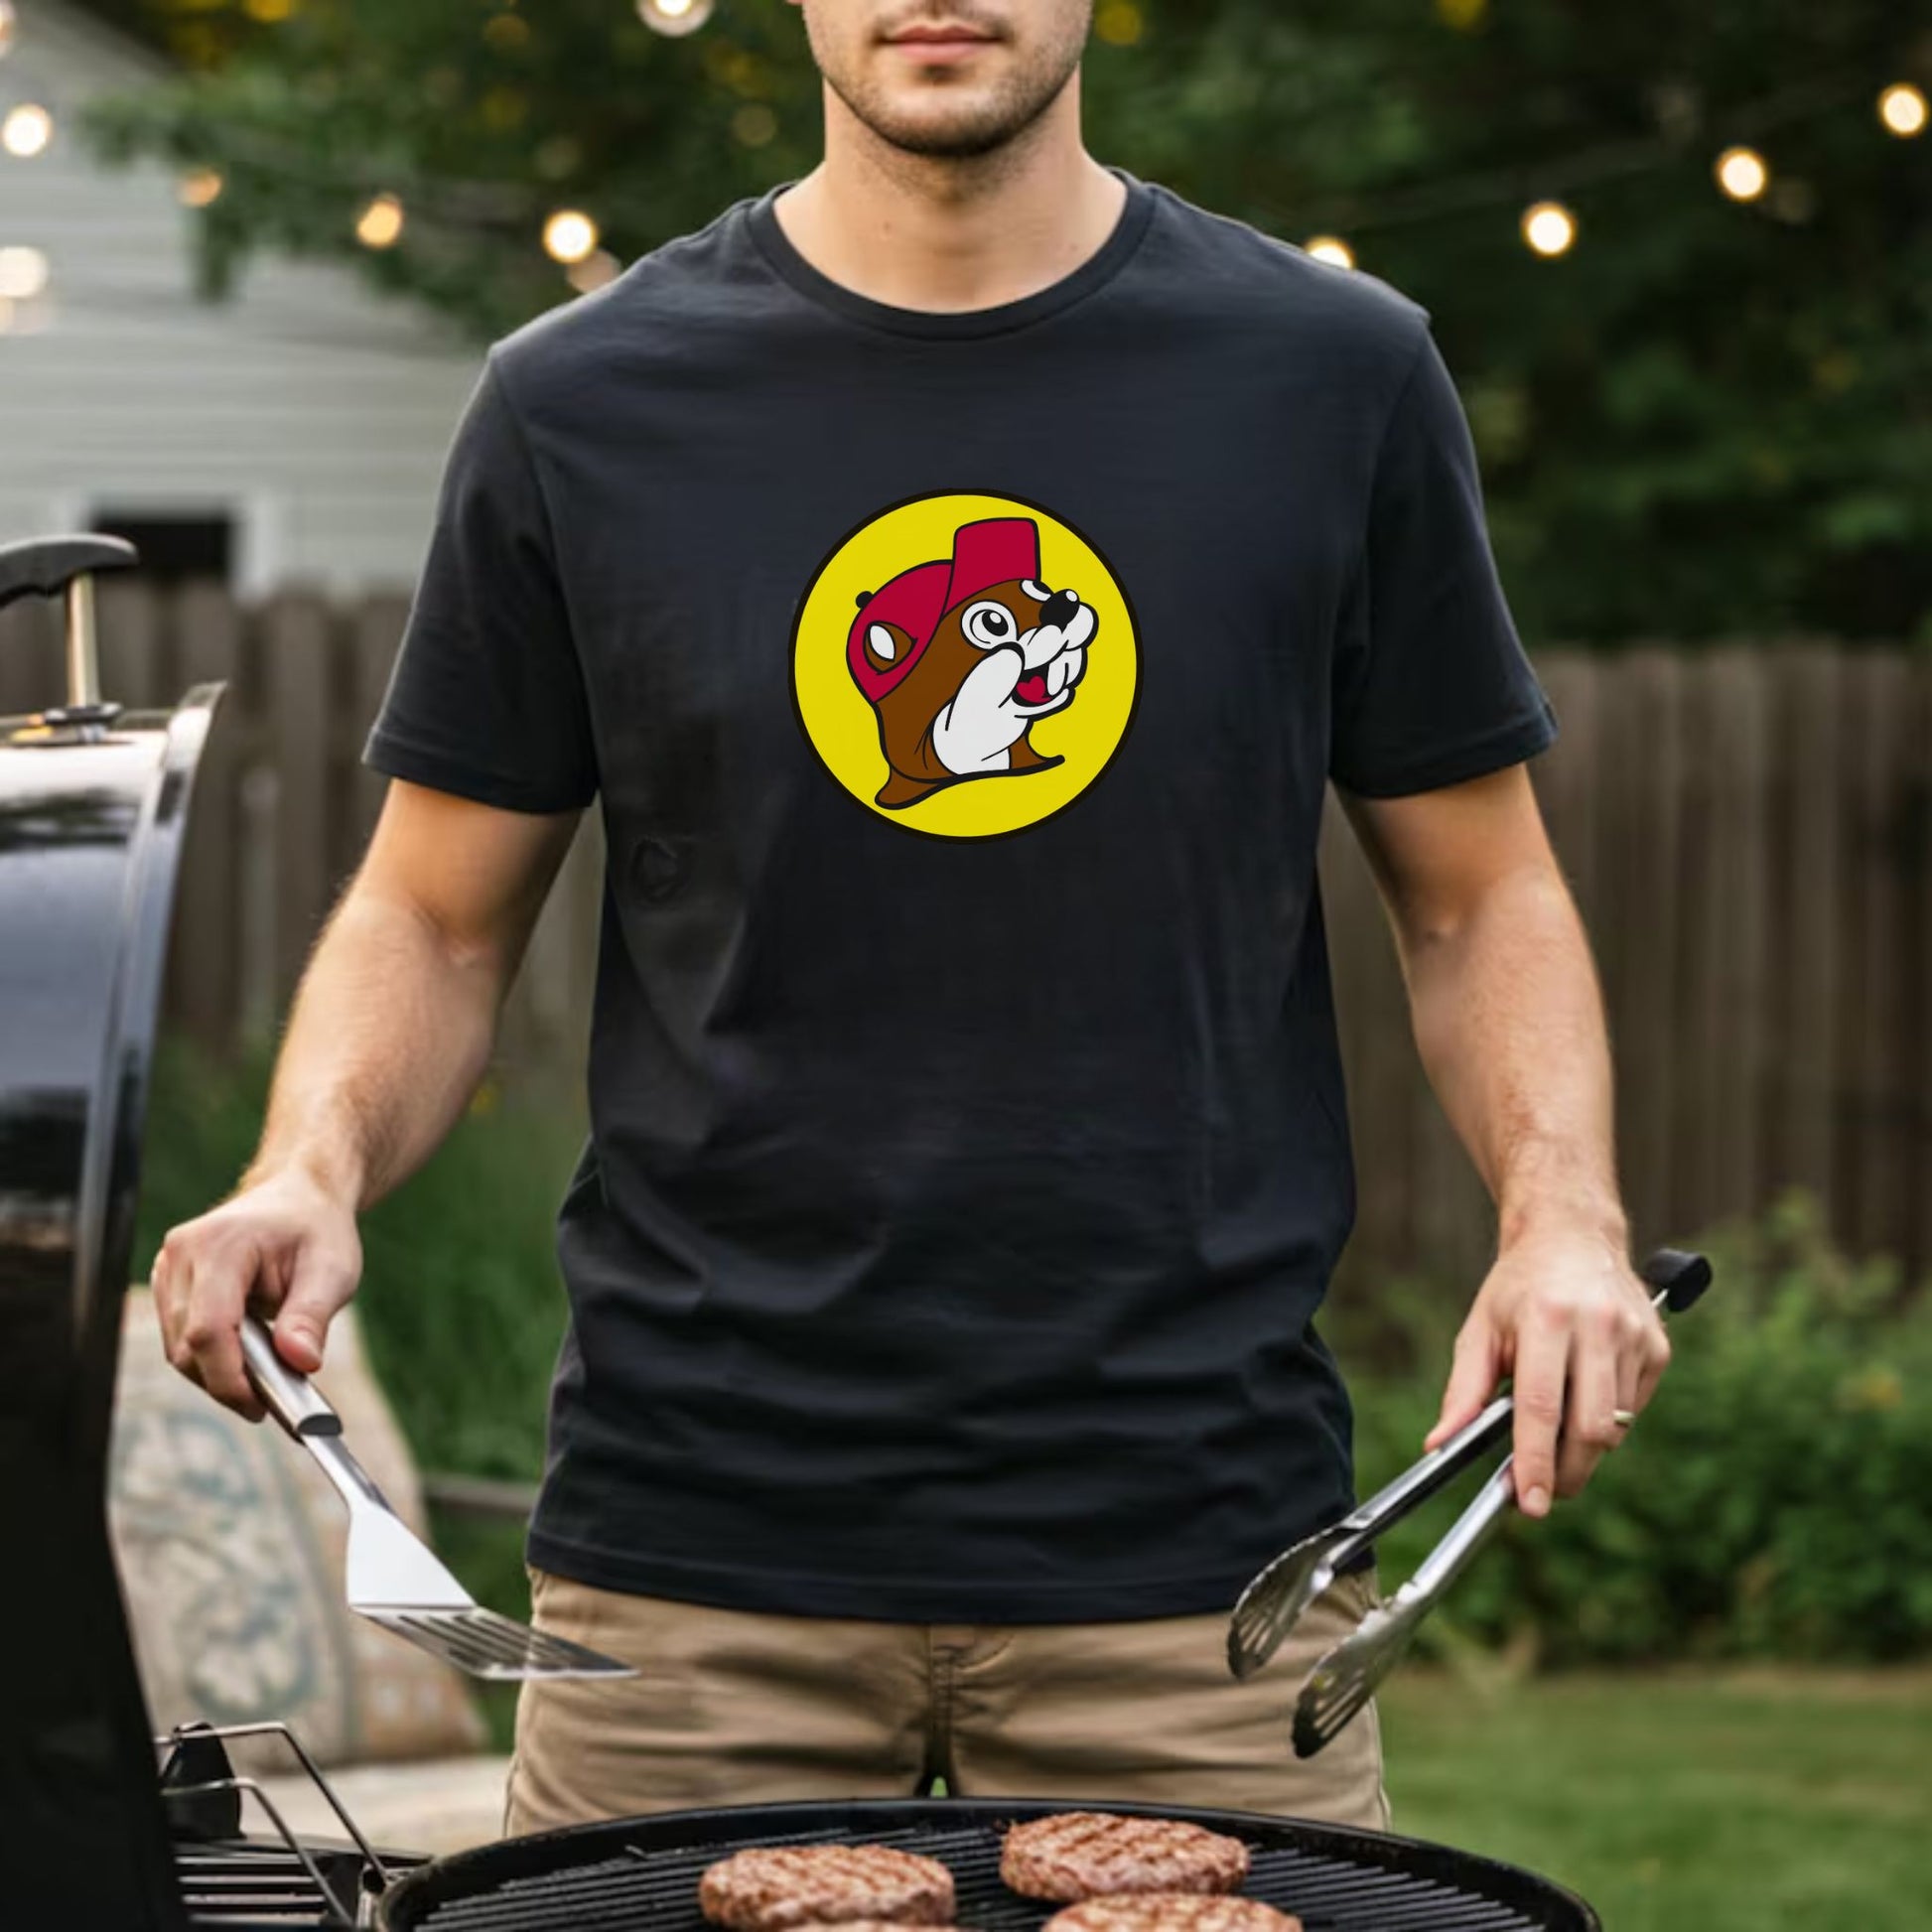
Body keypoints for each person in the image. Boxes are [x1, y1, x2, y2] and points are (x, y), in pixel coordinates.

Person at [152, 0, 1670, 1837]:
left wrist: (1562, 1210)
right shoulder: (582, 399)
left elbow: (1478, 892)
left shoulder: (1329, 376)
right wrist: (305, 1168)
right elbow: (434, 917)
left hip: (1193, 1555)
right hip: (693, 1558)